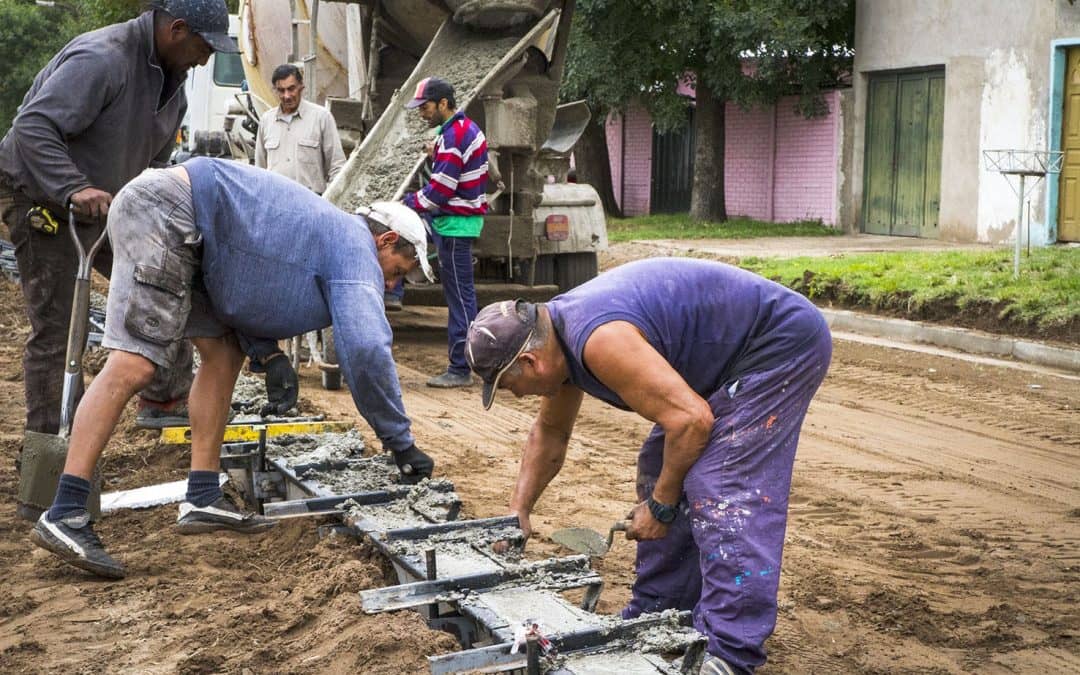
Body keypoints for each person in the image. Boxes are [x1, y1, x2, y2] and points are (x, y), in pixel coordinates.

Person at [29, 158, 436, 580]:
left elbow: (249, 282)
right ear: (386, 241)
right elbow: (366, 349)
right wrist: (399, 442)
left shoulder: (327, 233)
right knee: (135, 361)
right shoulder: (356, 249)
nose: (392, 285)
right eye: (398, 272)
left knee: (224, 354)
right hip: (168, 211)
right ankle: (67, 510)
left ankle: (203, 493)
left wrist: (269, 354)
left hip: (199, 232)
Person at [465, 259, 833, 675]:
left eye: (510, 385)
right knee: (660, 463)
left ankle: (730, 652)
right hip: (724, 356)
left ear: (531, 363)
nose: (517, 396)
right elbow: (550, 433)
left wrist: (660, 506)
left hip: (777, 344)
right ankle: (663, 613)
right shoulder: (557, 344)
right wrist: (519, 511)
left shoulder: (599, 340)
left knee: (722, 486)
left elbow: (692, 420)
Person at [0, 0, 238, 520]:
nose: (204, 59)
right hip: (45, 201)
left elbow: (152, 166)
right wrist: (73, 187)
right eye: (203, 47)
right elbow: (31, 129)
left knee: (173, 282)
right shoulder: (101, 58)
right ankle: (47, 480)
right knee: (60, 330)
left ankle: (164, 397)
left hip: (111, 204)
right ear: (177, 30)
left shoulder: (172, 83)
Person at [402, 77, 489, 388]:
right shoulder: (461, 130)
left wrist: (405, 202)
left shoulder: (453, 137)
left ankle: (461, 368)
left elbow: (440, 190)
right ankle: (468, 363)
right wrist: (435, 151)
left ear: (442, 103)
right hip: (460, 222)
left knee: (460, 299)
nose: (421, 113)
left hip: (454, 225)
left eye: (424, 107)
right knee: (460, 295)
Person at [254, 64, 346, 195]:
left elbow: (337, 167)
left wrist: (328, 201)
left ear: (301, 87)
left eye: (291, 89)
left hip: (311, 204)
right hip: (276, 203)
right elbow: (259, 171)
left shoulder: (321, 118)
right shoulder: (266, 121)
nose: (287, 96)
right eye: (281, 90)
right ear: (275, 90)